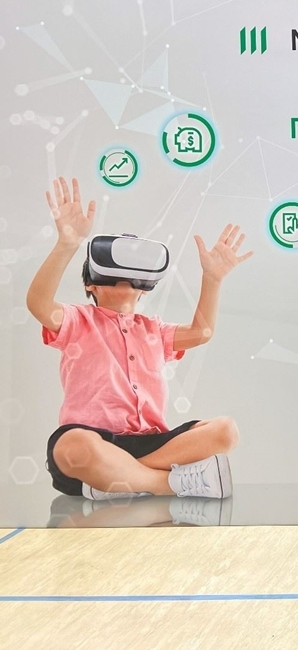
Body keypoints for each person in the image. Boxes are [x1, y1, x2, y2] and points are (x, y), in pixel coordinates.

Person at [27, 177, 249, 501]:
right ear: (91, 284)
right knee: (71, 446)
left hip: (152, 441)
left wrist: (212, 279)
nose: (125, 278)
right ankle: (168, 483)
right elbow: (38, 304)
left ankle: (115, 479)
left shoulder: (154, 330)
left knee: (225, 431)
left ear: (145, 286)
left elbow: (201, 333)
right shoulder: (78, 320)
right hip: (94, 440)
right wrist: (67, 244)